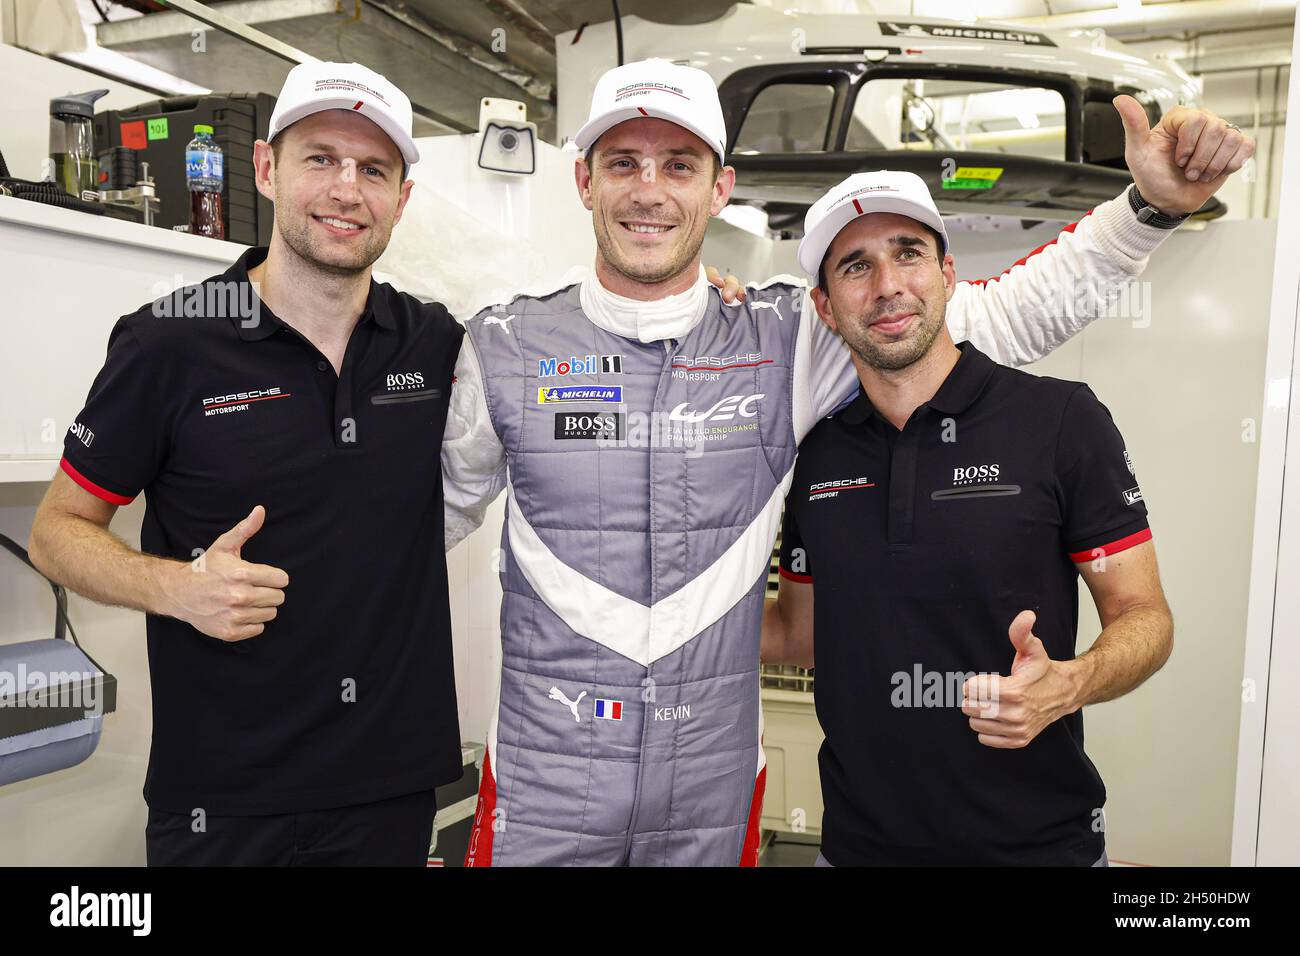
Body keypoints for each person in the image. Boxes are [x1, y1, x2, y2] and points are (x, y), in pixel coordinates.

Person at [441, 56, 1247, 866]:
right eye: (624, 163)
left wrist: (1145, 209)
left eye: (679, 165)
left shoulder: (786, 339)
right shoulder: (506, 345)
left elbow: (1008, 314)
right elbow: (420, 514)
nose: (650, 191)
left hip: (710, 796)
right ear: (584, 181)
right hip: (544, 794)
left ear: (718, 190)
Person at [27, 62, 465, 865]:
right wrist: (177, 588)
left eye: (374, 170)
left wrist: (700, 293)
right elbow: (56, 532)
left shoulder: (435, 344)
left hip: (391, 793)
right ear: (266, 169)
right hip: (224, 805)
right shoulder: (171, 341)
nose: (345, 189)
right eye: (320, 158)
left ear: (402, 199)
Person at [762, 169, 1179, 866]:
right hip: (858, 851)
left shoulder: (1060, 420)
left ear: (948, 274)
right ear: (826, 307)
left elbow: (1147, 618)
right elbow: (799, 635)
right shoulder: (818, 454)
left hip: (1040, 851)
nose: (888, 284)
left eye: (908, 253)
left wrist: (1069, 683)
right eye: (856, 266)